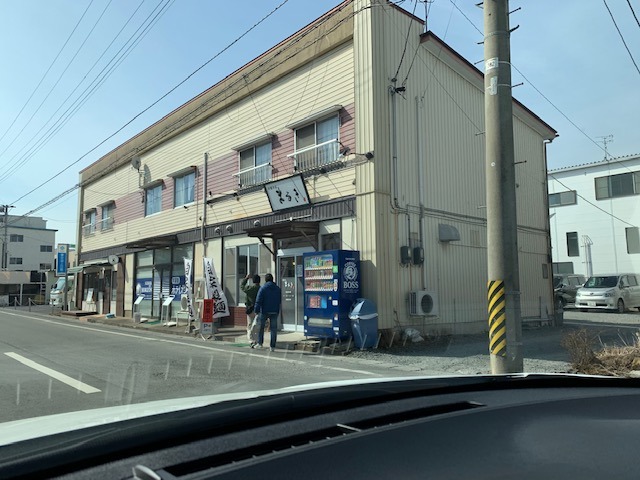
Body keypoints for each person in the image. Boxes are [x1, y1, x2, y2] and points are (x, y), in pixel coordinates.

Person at [254, 273, 282, 352]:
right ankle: (272, 346)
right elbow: (279, 300)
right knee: (273, 329)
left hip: (264, 310)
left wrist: (256, 310)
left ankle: (260, 343)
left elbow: (258, 300)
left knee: (261, 327)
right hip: (274, 311)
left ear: (265, 280)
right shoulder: (277, 289)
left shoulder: (263, 288)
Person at [240, 274, 260, 348]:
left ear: (253, 281)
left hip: (250, 309)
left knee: (250, 325)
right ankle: (257, 340)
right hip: (259, 309)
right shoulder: (261, 289)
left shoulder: (250, 289)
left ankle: (251, 341)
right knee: (257, 326)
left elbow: (242, 286)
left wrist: (246, 278)